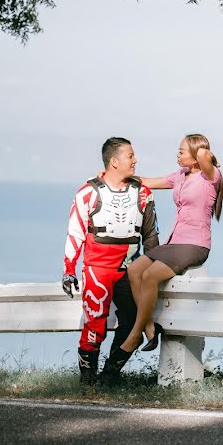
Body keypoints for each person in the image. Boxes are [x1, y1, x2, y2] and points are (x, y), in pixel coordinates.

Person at [115, 133, 223, 359]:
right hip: (174, 243)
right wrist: (114, 176)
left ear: (195, 156)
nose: (177, 154)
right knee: (135, 270)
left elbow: (204, 153)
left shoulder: (210, 176)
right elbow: (148, 182)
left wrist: (204, 154)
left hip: (195, 245)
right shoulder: (180, 176)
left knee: (150, 276)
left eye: (182, 151)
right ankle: (149, 327)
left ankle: (136, 334)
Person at [61, 137, 159, 385]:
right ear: (114, 161)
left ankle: (109, 376)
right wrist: (69, 270)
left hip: (131, 271)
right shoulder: (87, 193)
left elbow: (151, 235)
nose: (135, 160)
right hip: (97, 270)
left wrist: (155, 268)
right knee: (94, 326)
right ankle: (87, 382)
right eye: (130, 156)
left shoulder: (143, 193)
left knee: (135, 321)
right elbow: (75, 232)